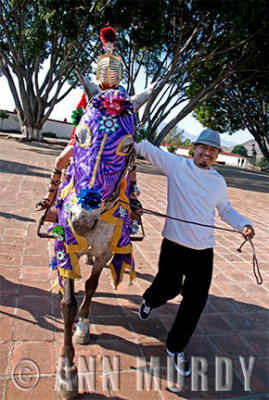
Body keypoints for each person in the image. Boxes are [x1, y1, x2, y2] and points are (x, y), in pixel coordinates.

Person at [135, 129, 255, 376]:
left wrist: (243, 224)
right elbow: (144, 148)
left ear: (217, 154)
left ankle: (176, 346)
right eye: (203, 148)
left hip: (203, 251)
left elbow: (225, 209)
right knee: (168, 288)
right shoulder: (176, 165)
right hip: (173, 246)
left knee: (195, 301)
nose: (207, 153)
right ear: (194, 148)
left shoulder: (218, 181)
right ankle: (149, 299)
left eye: (213, 150)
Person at [35, 26, 138, 211]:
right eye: (106, 71)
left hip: (112, 144)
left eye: (113, 71)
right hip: (87, 140)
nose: (109, 75)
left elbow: (129, 118)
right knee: (60, 160)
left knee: (131, 161)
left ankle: (133, 198)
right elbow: (78, 117)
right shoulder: (91, 92)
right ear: (99, 72)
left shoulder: (122, 95)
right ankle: (50, 196)